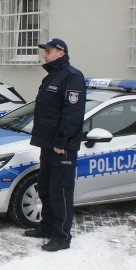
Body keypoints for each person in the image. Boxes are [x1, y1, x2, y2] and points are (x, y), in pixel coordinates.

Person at [25, 38, 86, 252]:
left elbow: (73, 114)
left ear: (61, 52)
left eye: (48, 51)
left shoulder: (72, 77)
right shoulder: (51, 77)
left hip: (62, 147)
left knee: (60, 192)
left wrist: (62, 141)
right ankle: (47, 226)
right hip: (47, 144)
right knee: (45, 188)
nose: (45, 54)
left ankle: (61, 237)